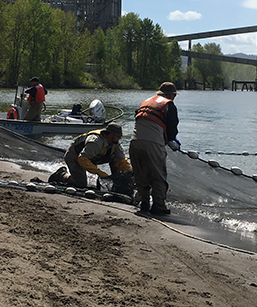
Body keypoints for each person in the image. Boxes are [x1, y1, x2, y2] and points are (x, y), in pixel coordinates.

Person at [129, 82, 180, 215]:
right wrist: (171, 139)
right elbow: (172, 126)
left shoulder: (146, 101)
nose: (174, 98)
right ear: (170, 94)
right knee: (158, 175)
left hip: (134, 141)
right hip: (153, 143)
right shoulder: (168, 104)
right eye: (174, 95)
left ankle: (144, 202)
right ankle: (159, 206)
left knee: (140, 174)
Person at [48, 122, 132, 188]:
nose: (120, 138)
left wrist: (131, 175)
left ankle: (115, 182)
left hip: (93, 157)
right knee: (80, 183)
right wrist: (100, 173)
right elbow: (82, 159)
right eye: (118, 136)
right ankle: (61, 175)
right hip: (75, 156)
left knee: (116, 159)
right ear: (110, 135)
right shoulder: (96, 142)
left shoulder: (115, 143)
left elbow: (122, 161)